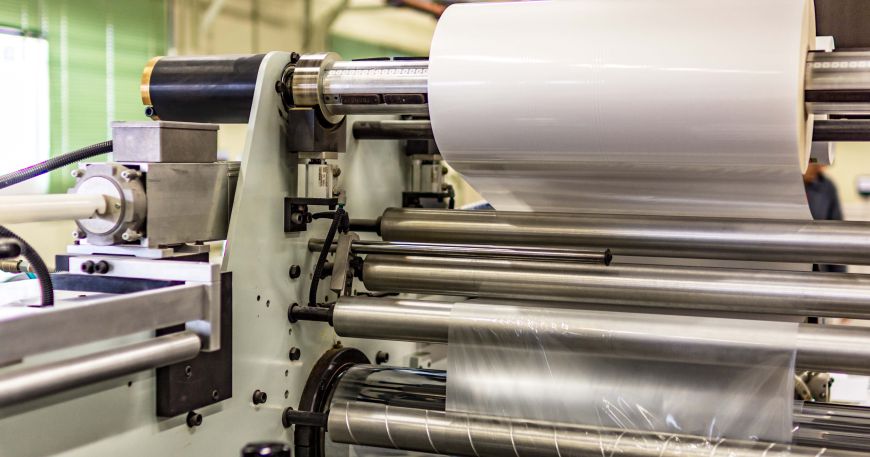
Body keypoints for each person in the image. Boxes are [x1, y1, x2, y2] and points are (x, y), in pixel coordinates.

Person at [804, 163, 845, 272]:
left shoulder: (827, 187)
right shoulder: (785, 184)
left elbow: (837, 235)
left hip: (819, 268)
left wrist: (839, 279)